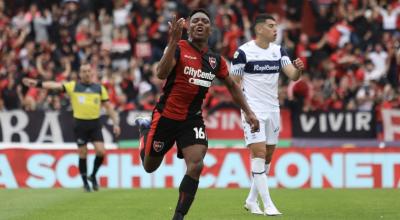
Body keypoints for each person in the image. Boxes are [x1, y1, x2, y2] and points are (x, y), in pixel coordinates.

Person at [134, 9, 259, 220]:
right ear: (189, 27)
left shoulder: (215, 60)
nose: (200, 23)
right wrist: (173, 42)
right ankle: (145, 131)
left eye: (205, 21)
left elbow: (232, 85)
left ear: (211, 29)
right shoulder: (178, 48)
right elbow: (160, 74)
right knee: (149, 167)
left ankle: (179, 216)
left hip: (192, 119)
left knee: (196, 164)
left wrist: (248, 112)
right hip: (166, 116)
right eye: (195, 21)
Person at [230, 14, 304, 216]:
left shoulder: (279, 51)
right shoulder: (243, 53)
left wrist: (298, 71)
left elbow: (292, 75)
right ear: (259, 29)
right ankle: (268, 204)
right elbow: (233, 84)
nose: (275, 29)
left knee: (267, 158)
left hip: (273, 110)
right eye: (271, 26)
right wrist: (246, 111)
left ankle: (251, 200)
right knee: (259, 154)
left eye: (276, 26)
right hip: (253, 111)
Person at [23, 63, 121, 192]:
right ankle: (85, 182)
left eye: (88, 71)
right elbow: (55, 85)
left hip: (95, 124)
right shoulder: (73, 86)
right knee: (83, 153)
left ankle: (93, 175)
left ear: (91, 73)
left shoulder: (99, 88)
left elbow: (108, 107)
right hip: (80, 124)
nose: (86, 73)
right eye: (84, 71)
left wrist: (116, 123)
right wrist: (37, 84)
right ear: (80, 74)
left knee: (101, 151)